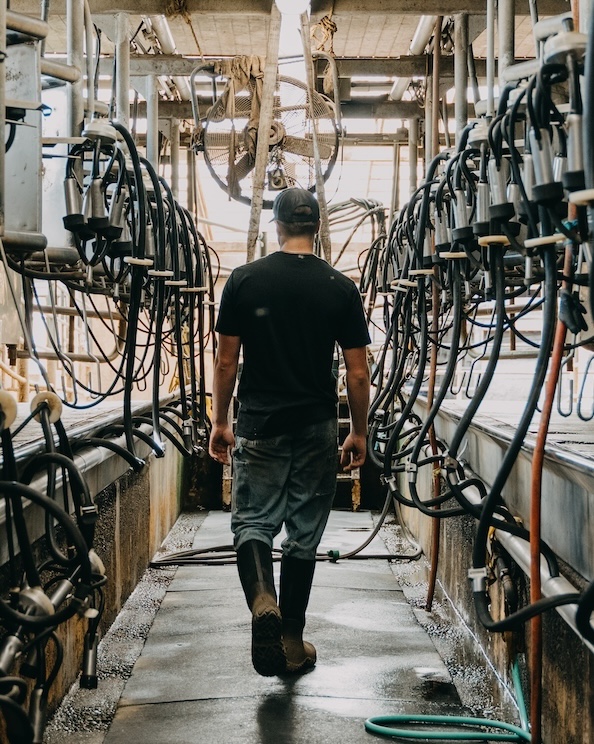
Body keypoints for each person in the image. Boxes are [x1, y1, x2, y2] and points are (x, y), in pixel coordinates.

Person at [209, 187, 371, 677]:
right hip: (317, 425)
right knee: (303, 535)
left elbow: (226, 360)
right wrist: (359, 433)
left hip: (260, 421)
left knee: (253, 522)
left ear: (276, 226)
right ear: (316, 228)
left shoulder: (244, 281)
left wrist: (220, 421)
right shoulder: (339, 287)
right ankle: (293, 641)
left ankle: (262, 601)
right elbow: (358, 373)